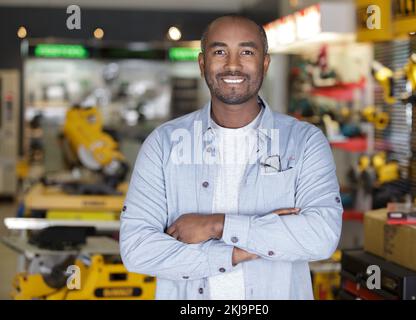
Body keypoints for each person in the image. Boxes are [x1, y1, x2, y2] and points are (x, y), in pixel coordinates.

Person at [120, 15, 342, 300]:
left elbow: (321, 237)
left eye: (247, 52)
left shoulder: (305, 142)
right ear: (202, 64)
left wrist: (217, 224)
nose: (233, 64)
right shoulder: (163, 145)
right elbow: (138, 250)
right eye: (220, 52)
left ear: (265, 63)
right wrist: (237, 252)